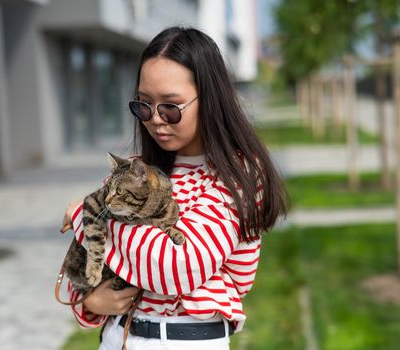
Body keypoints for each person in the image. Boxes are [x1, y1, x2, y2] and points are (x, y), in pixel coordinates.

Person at [63, 26, 288, 350]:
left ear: (208, 100)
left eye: (170, 106)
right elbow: (81, 274)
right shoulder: (138, 171)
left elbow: (176, 266)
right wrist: (91, 302)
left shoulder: (237, 175)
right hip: (117, 337)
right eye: (143, 105)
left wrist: (87, 221)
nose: (155, 119)